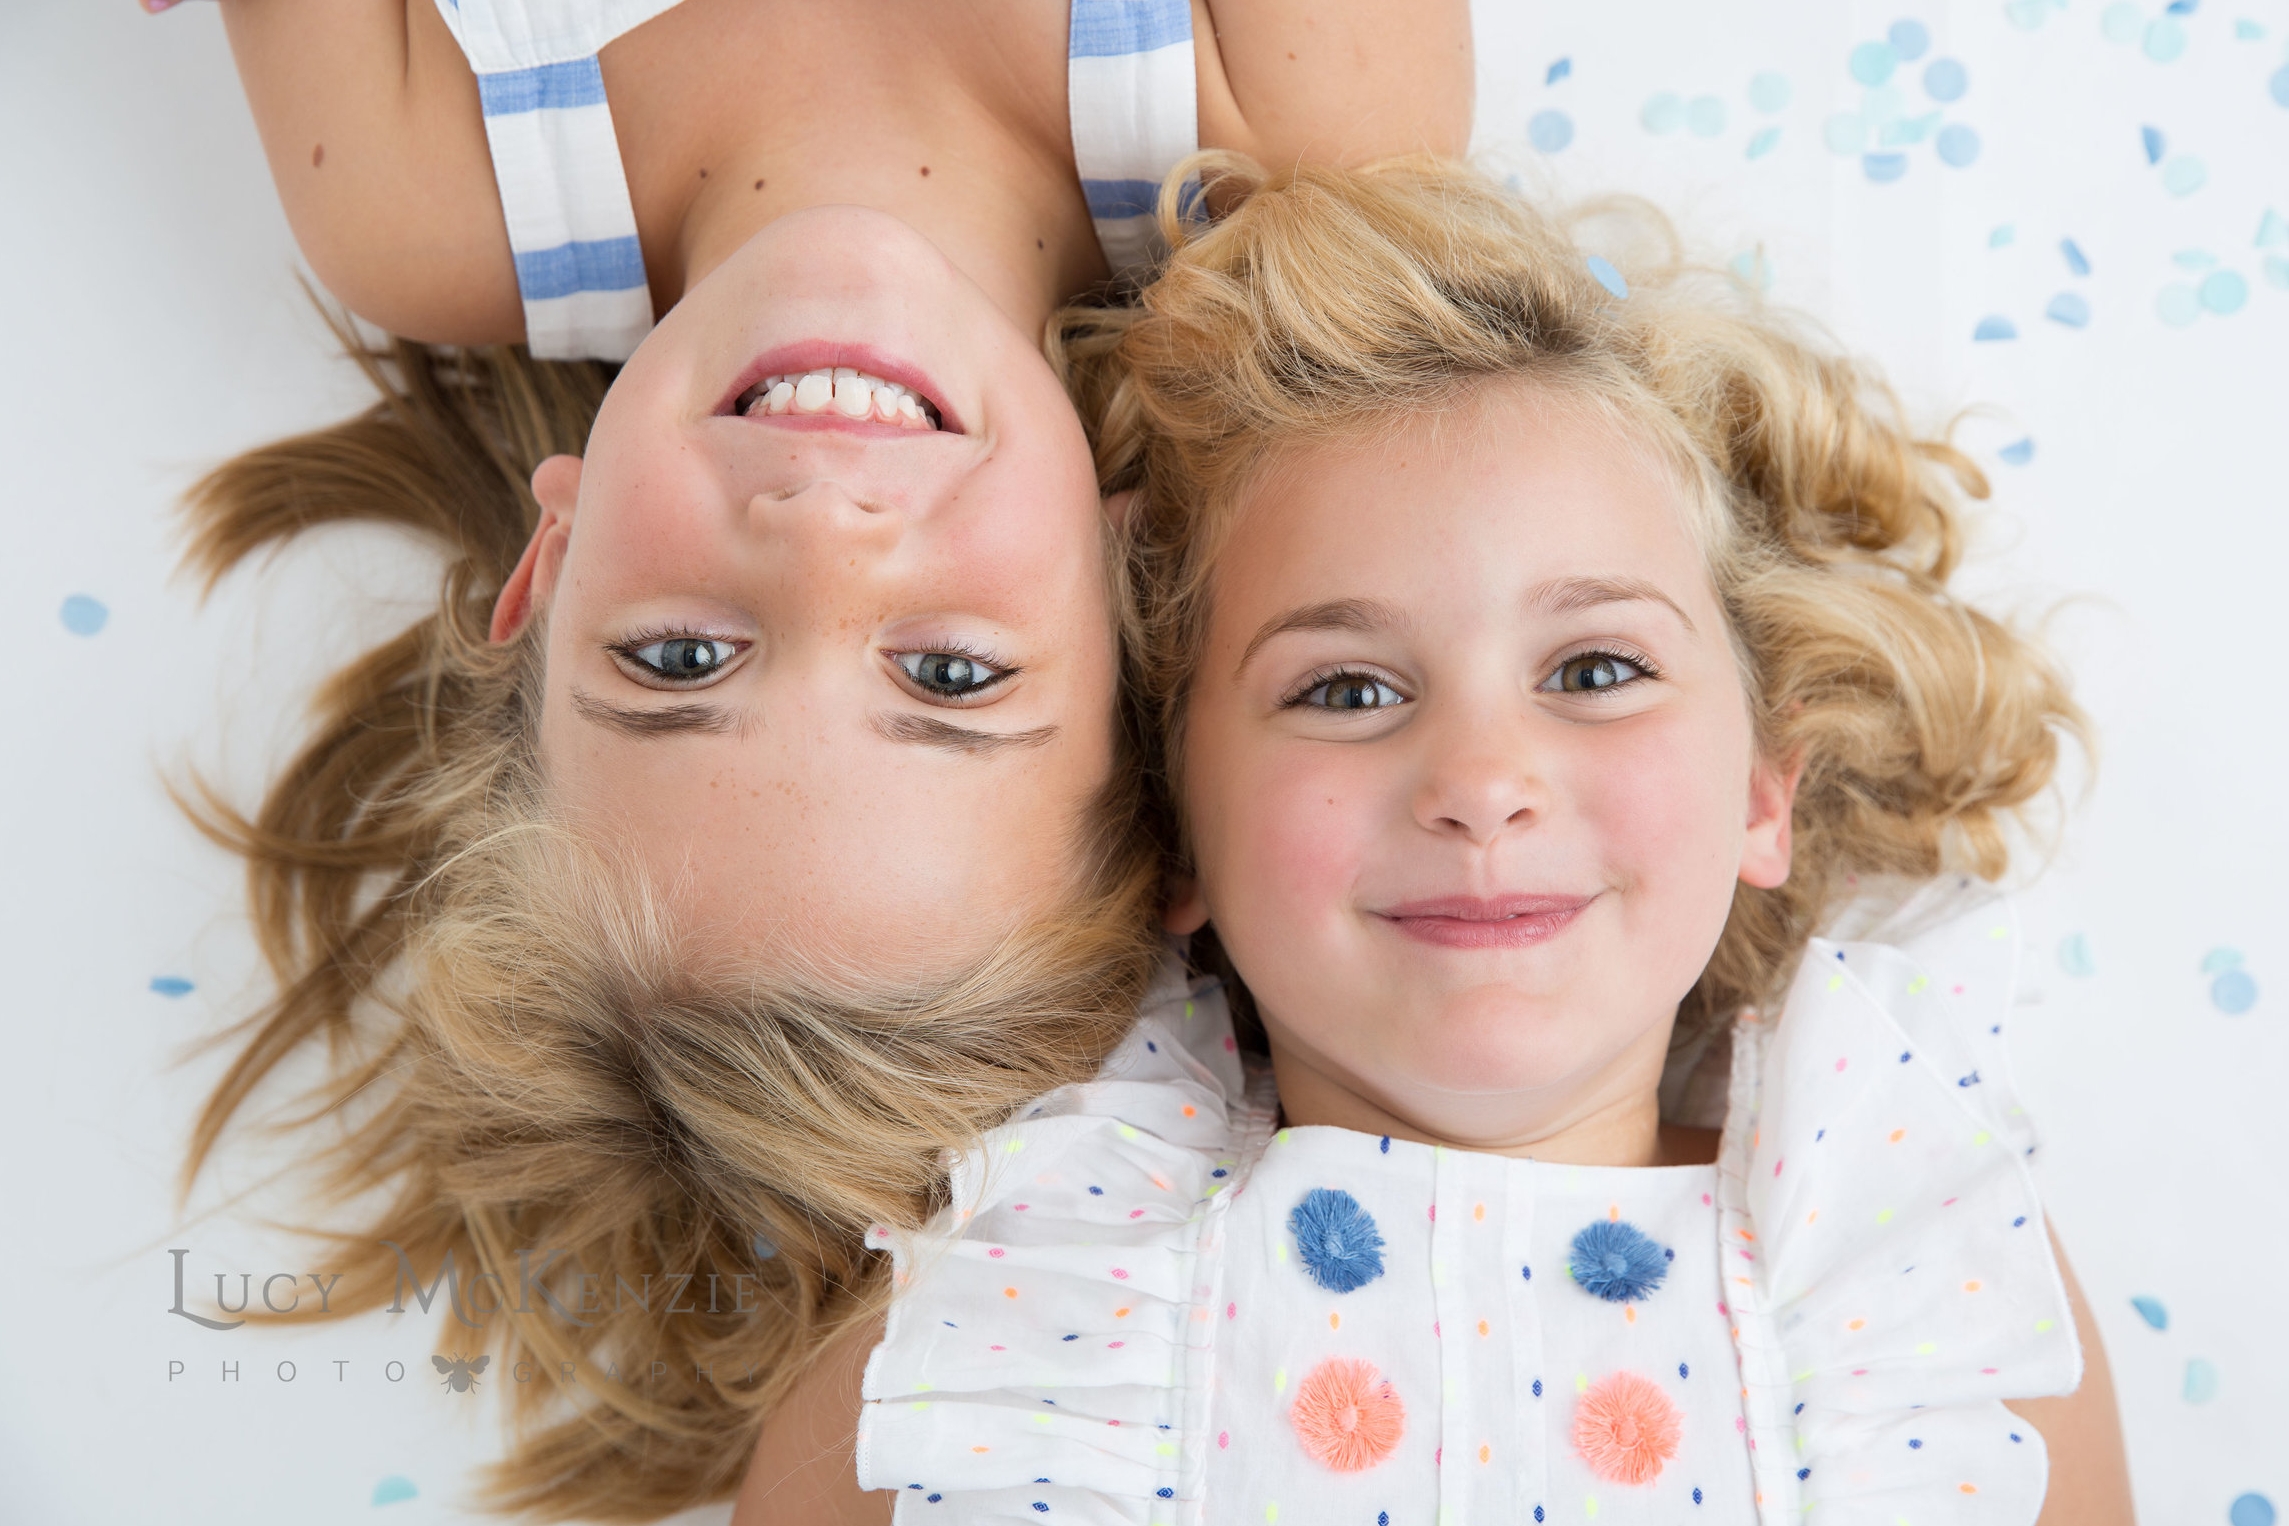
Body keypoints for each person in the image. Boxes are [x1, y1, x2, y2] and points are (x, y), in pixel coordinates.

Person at [161, 3, 1470, 1517]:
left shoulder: (414, 186)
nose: (822, 533)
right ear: (1135, 604)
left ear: (554, 564)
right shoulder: (1289, 111)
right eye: (948, 674)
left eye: (675, 659)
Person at [809, 156, 2135, 1522]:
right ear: (1178, 822)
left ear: (1760, 789)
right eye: (1346, 689)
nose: (1483, 781)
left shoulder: (1924, 1298)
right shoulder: (1011, 1299)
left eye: (1596, 669)